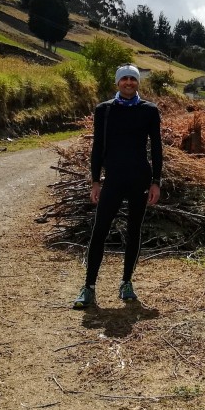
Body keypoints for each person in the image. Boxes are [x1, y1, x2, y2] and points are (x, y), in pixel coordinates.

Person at [73, 64, 163, 308]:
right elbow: (97, 147)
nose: (128, 83)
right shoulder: (104, 110)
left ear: (137, 83)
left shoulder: (150, 111)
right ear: (117, 82)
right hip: (112, 179)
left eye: (132, 79)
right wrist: (95, 180)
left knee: (134, 232)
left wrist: (156, 181)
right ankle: (89, 287)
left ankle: (126, 283)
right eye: (124, 79)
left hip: (139, 180)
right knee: (100, 231)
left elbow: (156, 148)